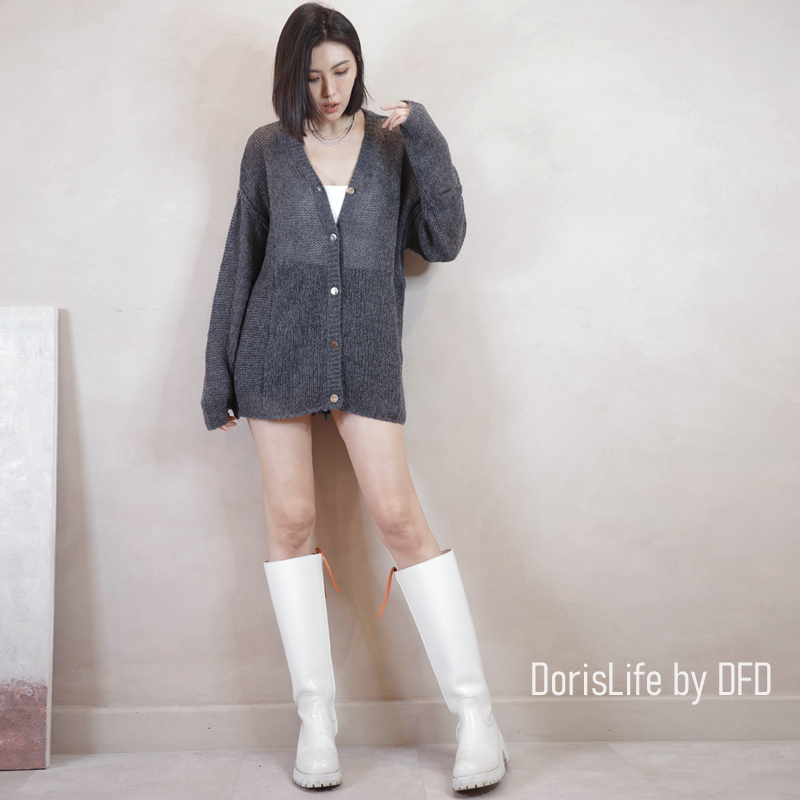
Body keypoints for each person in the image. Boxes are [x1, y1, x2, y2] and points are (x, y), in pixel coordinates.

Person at [200, 2, 509, 792]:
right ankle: (317, 721)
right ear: (291, 79)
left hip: (366, 354)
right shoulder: (266, 149)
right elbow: (242, 257)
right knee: (291, 522)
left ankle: (477, 719)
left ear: (358, 67)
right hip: (273, 352)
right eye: (313, 77)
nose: (330, 89)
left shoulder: (395, 145)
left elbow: (443, 240)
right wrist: (219, 378)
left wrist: (427, 135)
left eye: (341, 71)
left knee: (400, 520)